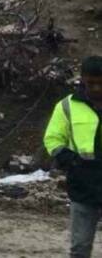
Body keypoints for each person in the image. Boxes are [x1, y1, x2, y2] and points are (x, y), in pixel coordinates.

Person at [46, 56, 102, 257]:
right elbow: (52, 138)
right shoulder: (66, 106)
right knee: (80, 248)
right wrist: (67, 158)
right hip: (83, 184)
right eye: (91, 83)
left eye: (100, 83)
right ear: (82, 80)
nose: (96, 88)